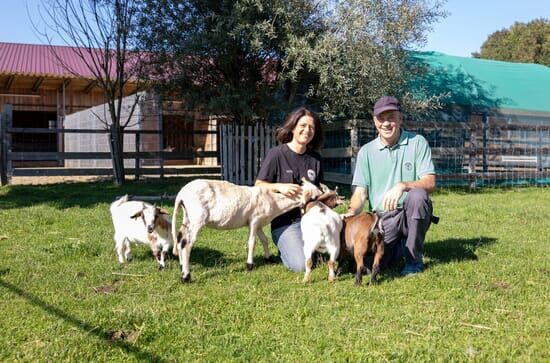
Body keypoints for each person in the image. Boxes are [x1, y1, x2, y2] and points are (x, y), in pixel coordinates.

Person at [343, 96, 436, 276]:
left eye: (391, 117)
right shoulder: (366, 152)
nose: (386, 123)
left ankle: (413, 261)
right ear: (374, 121)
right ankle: (399, 248)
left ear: (400, 118)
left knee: (418, 196)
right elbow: (360, 192)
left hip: (411, 212)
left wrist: (403, 185)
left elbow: (430, 182)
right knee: (368, 267)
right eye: (381, 118)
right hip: (382, 220)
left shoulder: (418, 142)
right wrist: (351, 211)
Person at [255, 107, 323, 272]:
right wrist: (280, 187)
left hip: (313, 221)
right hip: (285, 223)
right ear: (293, 127)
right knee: (301, 265)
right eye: (303, 125)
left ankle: (310, 248)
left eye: (312, 127)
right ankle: (285, 247)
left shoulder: (316, 159)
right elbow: (258, 185)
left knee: (331, 256)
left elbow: (320, 192)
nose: (307, 130)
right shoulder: (276, 154)